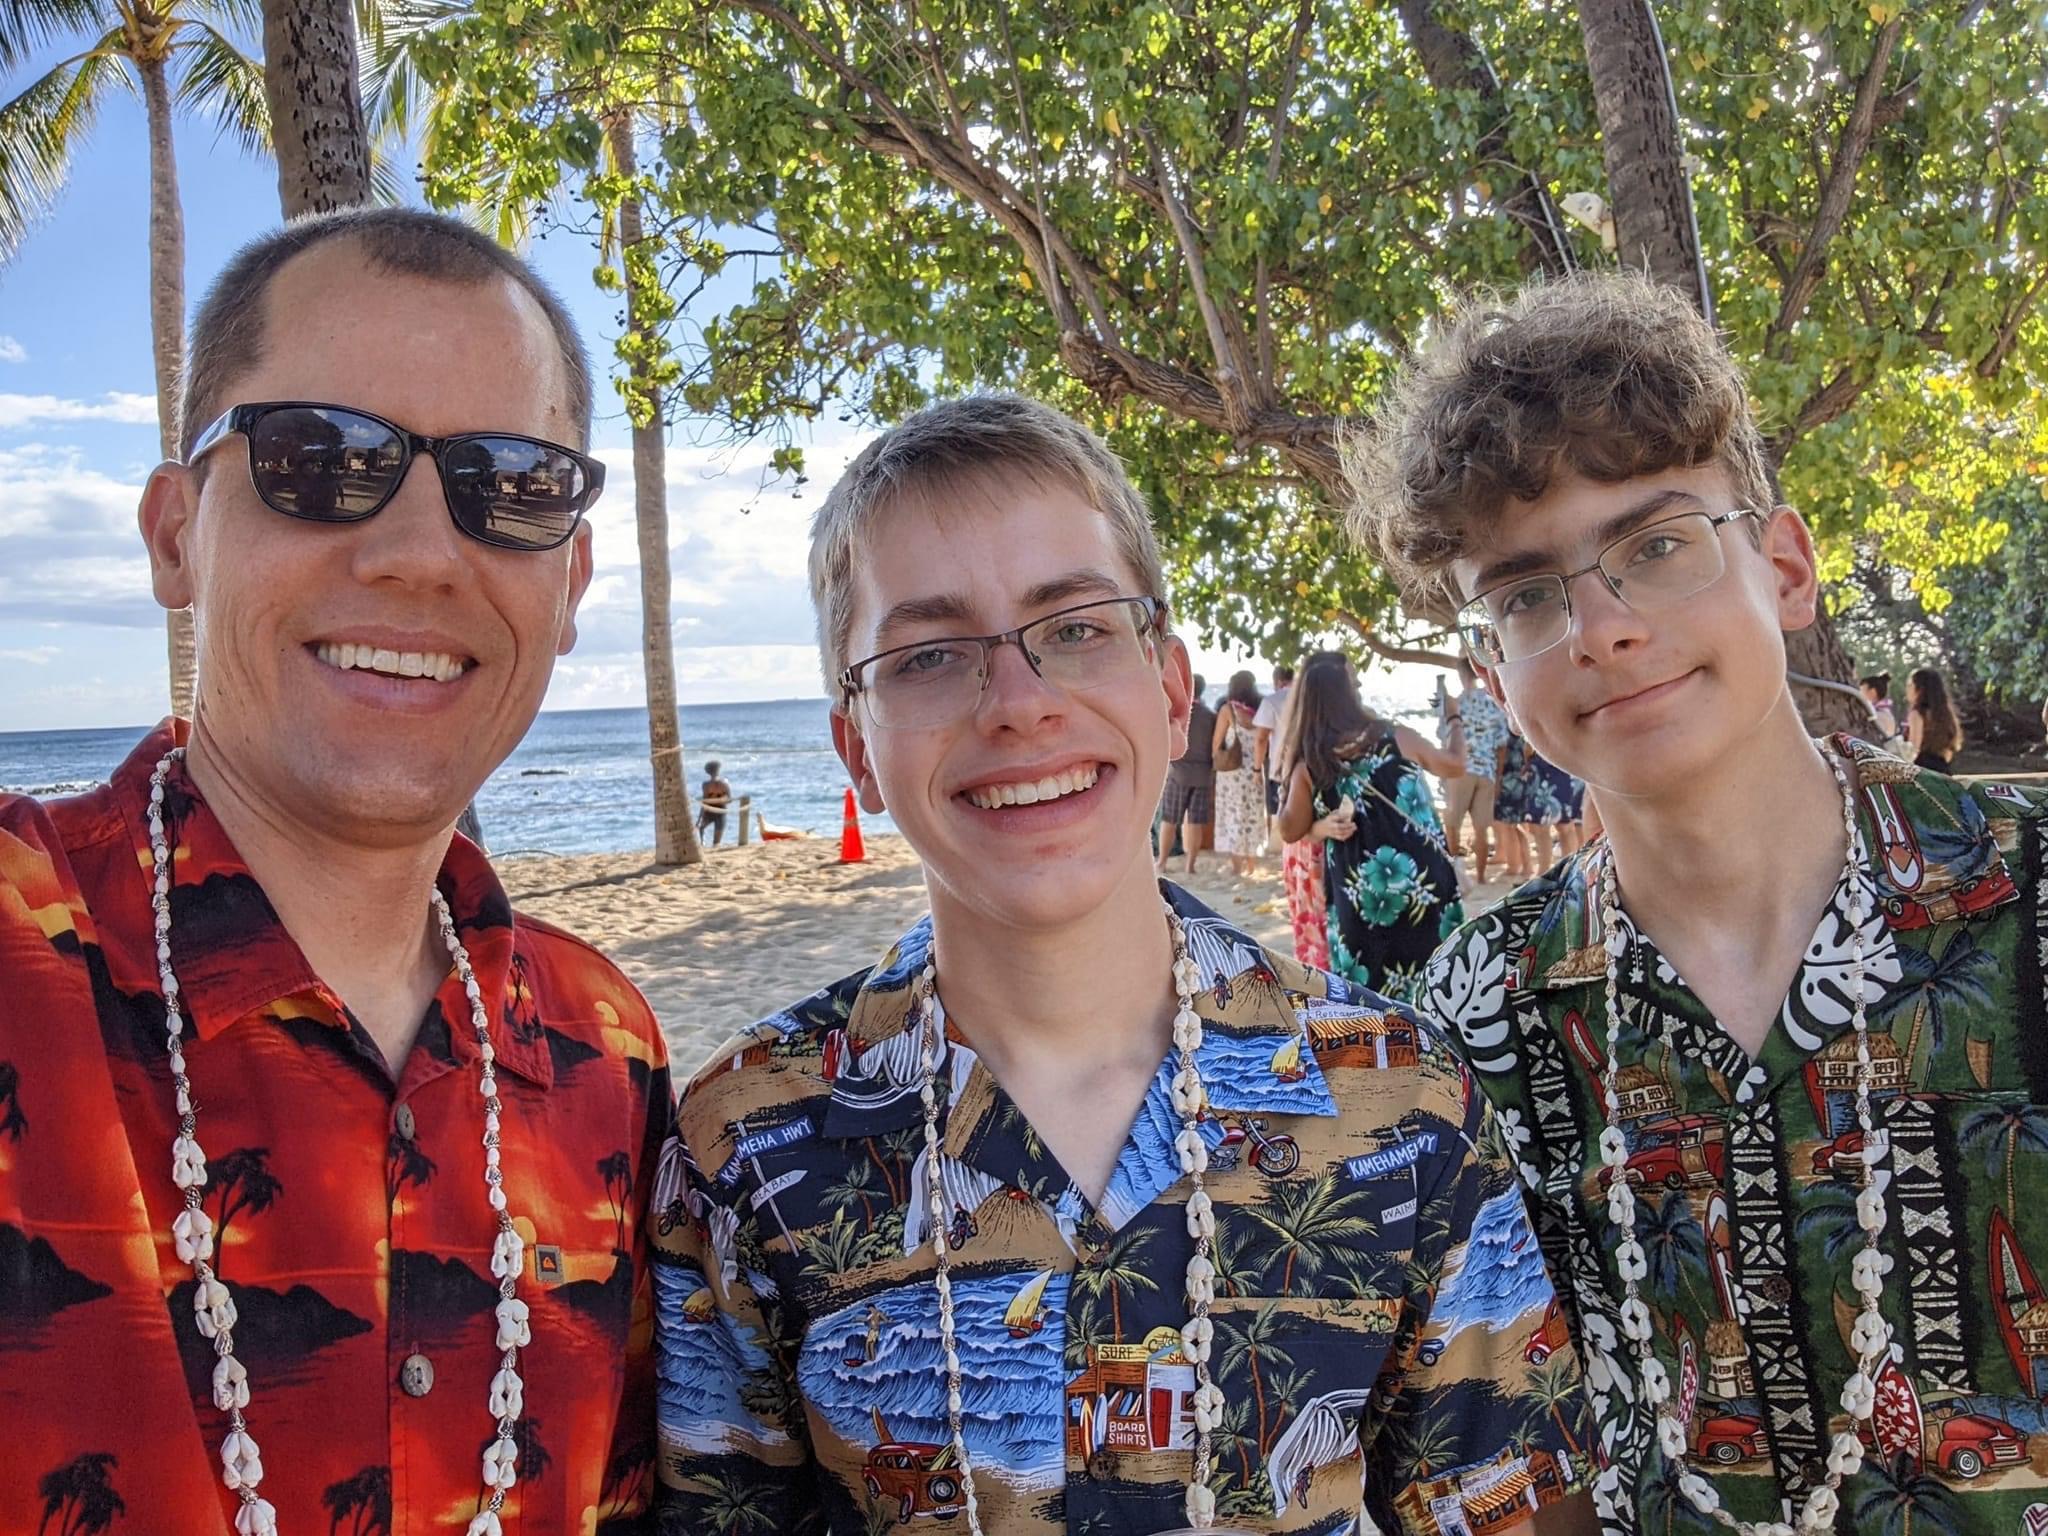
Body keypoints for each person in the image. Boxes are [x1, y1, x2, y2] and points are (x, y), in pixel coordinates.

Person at [652, 394, 1595, 1535]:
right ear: (856, 746)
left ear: (1170, 686)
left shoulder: (1400, 1096)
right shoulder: (742, 1141)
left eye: (1076, 628)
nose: (1018, 705)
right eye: (928, 656)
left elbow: (1501, 1502)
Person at [0, 209, 671, 1530]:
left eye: (511, 485)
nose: (417, 552)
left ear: (572, 580)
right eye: (319, 459)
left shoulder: (605, 1051)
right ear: (176, 534)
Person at [1357, 266, 2048, 1533]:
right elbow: (1499, 1458)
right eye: (1526, 595)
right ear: (1489, 669)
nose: (1600, 627)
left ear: (1782, 568)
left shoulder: (2025, 902)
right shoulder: (1471, 1020)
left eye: (1656, 547)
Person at [1276, 650, 1468, 1005]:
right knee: (1440, 984)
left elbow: (1290, 830)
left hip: (1362, 895)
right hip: (1422, 879)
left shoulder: (1311, 762)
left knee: (1370, 996)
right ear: (1347, 693)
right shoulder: (1398, 737)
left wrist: (1307, 809)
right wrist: (1454, 718)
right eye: (1355, 680)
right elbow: (1455, 764)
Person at [1271, 674, 1338, 968]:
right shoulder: (1309, 747)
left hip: (1306, 849)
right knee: (1318, 929)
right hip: (1311, 849)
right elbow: (1290, 816)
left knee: (1313, 931)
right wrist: (1317, 829)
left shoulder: (1296, 740)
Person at [1442, 656, 1510, 884]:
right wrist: (1498, 776)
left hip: (1461, 769)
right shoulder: (1492, 703)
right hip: (1487, 770)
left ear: (1461, 675)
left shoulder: (1456, 704)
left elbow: (1446, 738)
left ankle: (1456, 873)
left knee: (1452, 823)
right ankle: (1481, 877)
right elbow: (1502, 744)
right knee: (1482, 829)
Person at [1209, 669, 1266, 876]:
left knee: (1233, 814)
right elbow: (1264, 740)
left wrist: (1216, 759)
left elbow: (1217, 742)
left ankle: (1236, 867)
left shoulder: (1228, 710)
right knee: (1253, 815)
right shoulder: (1261, 709)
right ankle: (1251, 864)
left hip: (1232, 771)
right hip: (1255, 769)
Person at [1158, 672, 1215, 873]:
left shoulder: (1176, 714)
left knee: (1169, 819)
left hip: (1178, 772)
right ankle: (1190, 865)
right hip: (1202, 775)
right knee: (1195, 822)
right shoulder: (1211, 716)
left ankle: (1162, 862)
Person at [1251, 661, 1296, 828]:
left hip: (1281, 768)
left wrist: (1257, 769)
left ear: (1277, 681)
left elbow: (1261, 738)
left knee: (1280, 818)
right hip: (1309, 767)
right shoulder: (1310, 698)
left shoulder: (1272, 701)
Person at [1905, 665, 1963, 773]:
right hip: (1943, 772)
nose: (1907, 689)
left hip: (1921, 772)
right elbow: (1950, 750)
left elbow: (1913, 749)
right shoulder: (1945, 716)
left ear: (1920, 689)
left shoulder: (1917, 714)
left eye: (1910, 685)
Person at [1858, 672, 1902, 751]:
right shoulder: (1883, 712)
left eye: (1862, 691)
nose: (1859, 694)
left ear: (1872, 692)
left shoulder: (1879, 715)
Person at [698, 758, 733, 845]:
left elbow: (704, 801)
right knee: (716, 842)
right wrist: (721, 800)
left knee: (701, 828)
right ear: (718, 770)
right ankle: (704, 843)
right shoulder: (725, 783)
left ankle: (703, 843)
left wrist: (699, 818)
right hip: (720, 810)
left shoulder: (706, 785)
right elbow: (729, 799)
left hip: (710, 810)